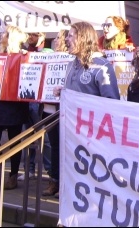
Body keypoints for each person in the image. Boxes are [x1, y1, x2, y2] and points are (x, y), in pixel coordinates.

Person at [52, 22, 120, 197]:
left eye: (71, 35)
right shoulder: (70, 65)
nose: (66, 39)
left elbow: (112, 102)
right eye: (67, 35)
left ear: (83, 38)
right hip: (71, 134)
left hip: (92, 137)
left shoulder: (102, 66)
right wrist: (63, 92)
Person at [0, 25, 29, 189]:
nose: (1, 35)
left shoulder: (22, 56)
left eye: (5, 33)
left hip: (14, 104)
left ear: (11, 37)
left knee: (14, 141)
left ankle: (13, 175)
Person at [18, 31, 53, 181]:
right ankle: (29, 169)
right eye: (29, 34)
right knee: (28, 135)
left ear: (42, 37)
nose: (29, 37)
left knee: (45, 139)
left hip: (41, 102)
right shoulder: (25, 51)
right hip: (28, 99)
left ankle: (51, 173)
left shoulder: (49, 52)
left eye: (33, 34)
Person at [40, 29, 69, 198]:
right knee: (53, 147)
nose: (56, 40)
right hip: (47, 108)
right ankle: (54, 180)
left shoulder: (71, 60)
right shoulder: (48, 57)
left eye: (59, 37)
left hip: (62, 109)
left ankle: (62, 182)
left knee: (62, 147)